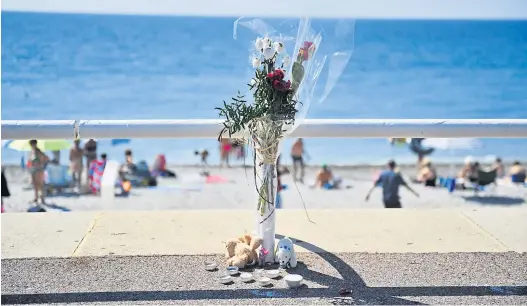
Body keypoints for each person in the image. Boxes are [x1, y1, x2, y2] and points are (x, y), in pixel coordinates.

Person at [28, 140, 49, 204]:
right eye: (31, 144)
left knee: (40, 184)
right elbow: (30, 161)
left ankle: (42, 199)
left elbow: (46, 158)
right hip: (33, 169)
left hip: (39, 170)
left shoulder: (38, 151)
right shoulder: (31, 151)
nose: (32, 145)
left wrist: (41, 163)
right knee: (35, 184)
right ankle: (36, 198)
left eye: (33, 144)